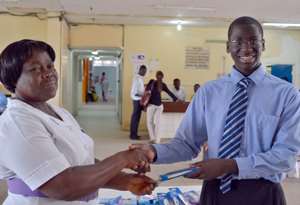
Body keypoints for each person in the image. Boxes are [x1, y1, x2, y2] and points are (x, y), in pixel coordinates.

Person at [130, 16, 300, 205]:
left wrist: (229, 166)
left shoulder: (287, 95)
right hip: (215, 192)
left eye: (253, 40)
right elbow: (186, 144)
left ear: (263, 44)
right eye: (238, 41)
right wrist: (154, 151)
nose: (246, 47)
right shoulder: (208, 92)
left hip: (263, 194)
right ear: (228, 47)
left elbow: (286, 157)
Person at [0, 39, 155, 205]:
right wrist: (123, 159)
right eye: (35, 69)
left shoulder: (59, 113)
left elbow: (82, 161)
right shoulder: (17, 123)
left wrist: (125, 181)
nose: (48, 73)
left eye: (50, 66)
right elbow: (62, 186)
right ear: (13, 79)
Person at [145, 71, 177, 143]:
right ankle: (156, 140)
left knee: (150, 122)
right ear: (162, 77)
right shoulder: (157, 84)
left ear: (156, 76)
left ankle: (153, 139)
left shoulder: (153, 83)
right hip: (157, 105)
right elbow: (170, 93)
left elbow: (147, 91)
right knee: (157, 123)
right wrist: (176, 99)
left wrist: (176, 99)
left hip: (153, 105)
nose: (159, 78)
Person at [129, 65, 147, 140]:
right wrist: (144, 94)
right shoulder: (136, 78)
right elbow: (135, 92)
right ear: (141, 70)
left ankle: (134, 134)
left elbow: (140, 89)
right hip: (137, 100)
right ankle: (133, 135)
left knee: (137, 118)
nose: (145, 73)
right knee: (135, 118)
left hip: (139, 99)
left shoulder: (140, 78)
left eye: (145, 72)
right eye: (144, 71)